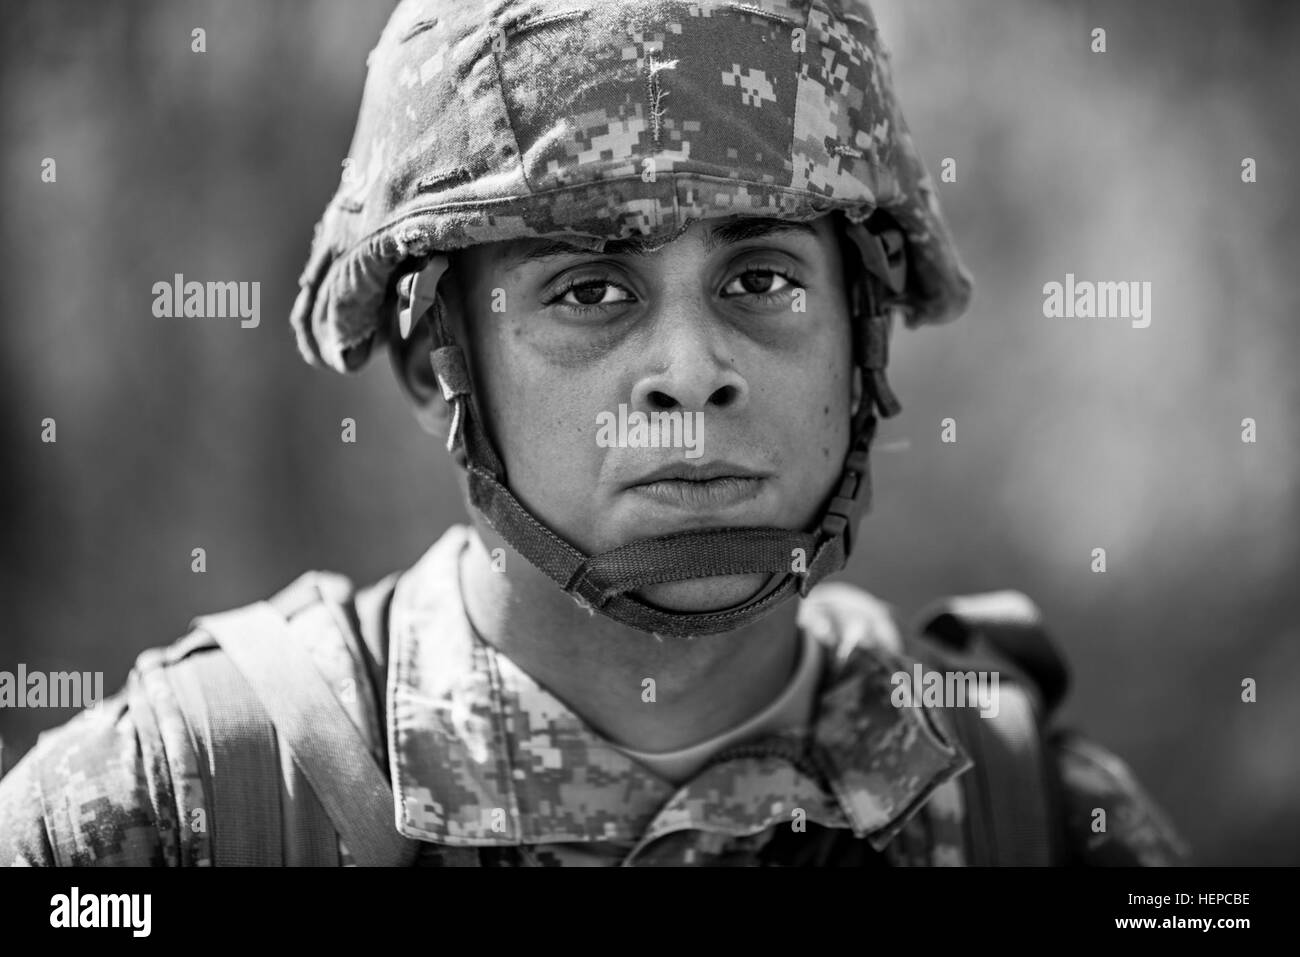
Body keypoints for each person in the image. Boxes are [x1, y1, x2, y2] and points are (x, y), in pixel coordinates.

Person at [0, 0, 1188, 866]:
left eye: (762, 279)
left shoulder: (1033, 819)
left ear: (860, 342)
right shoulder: (167, 817)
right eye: (589, 292)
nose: (691, 375)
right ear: (437, 368)